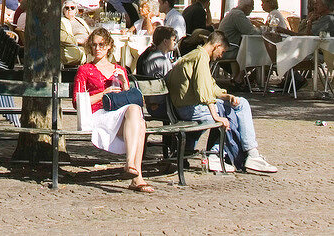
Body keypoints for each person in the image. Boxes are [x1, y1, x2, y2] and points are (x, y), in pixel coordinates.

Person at [165, 30, 277, 175]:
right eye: (222, 51)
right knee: (230, 113)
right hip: (189, 108)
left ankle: (246, 153)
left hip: (185, 105)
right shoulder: (200, 57)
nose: (221, 56)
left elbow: (210, 85)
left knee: (241, 103)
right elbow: (204, 90)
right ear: (216, 45)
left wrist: (226, 96)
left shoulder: (196, 55)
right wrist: (216, 116)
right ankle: (229, 154)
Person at [72, 27, 152, 192]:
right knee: (139, 120)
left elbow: (128, 98)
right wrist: (103, 94)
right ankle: (135, 173)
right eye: (94, 45)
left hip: (119, 113)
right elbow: (77, 101)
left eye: (101, 44)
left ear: (109, 46)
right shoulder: (85, 70)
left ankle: (132, 169)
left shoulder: (119, 70)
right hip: (97, 113)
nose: (97, 48)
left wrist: (125, 84)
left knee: (139, 119)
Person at [135, 25, 177, 120]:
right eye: (173, 40)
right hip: (161, 106)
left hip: (151, 103)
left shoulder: (148, 54)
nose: (174, 42)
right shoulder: (161, 60)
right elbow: (171, 82)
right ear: (165, 41)